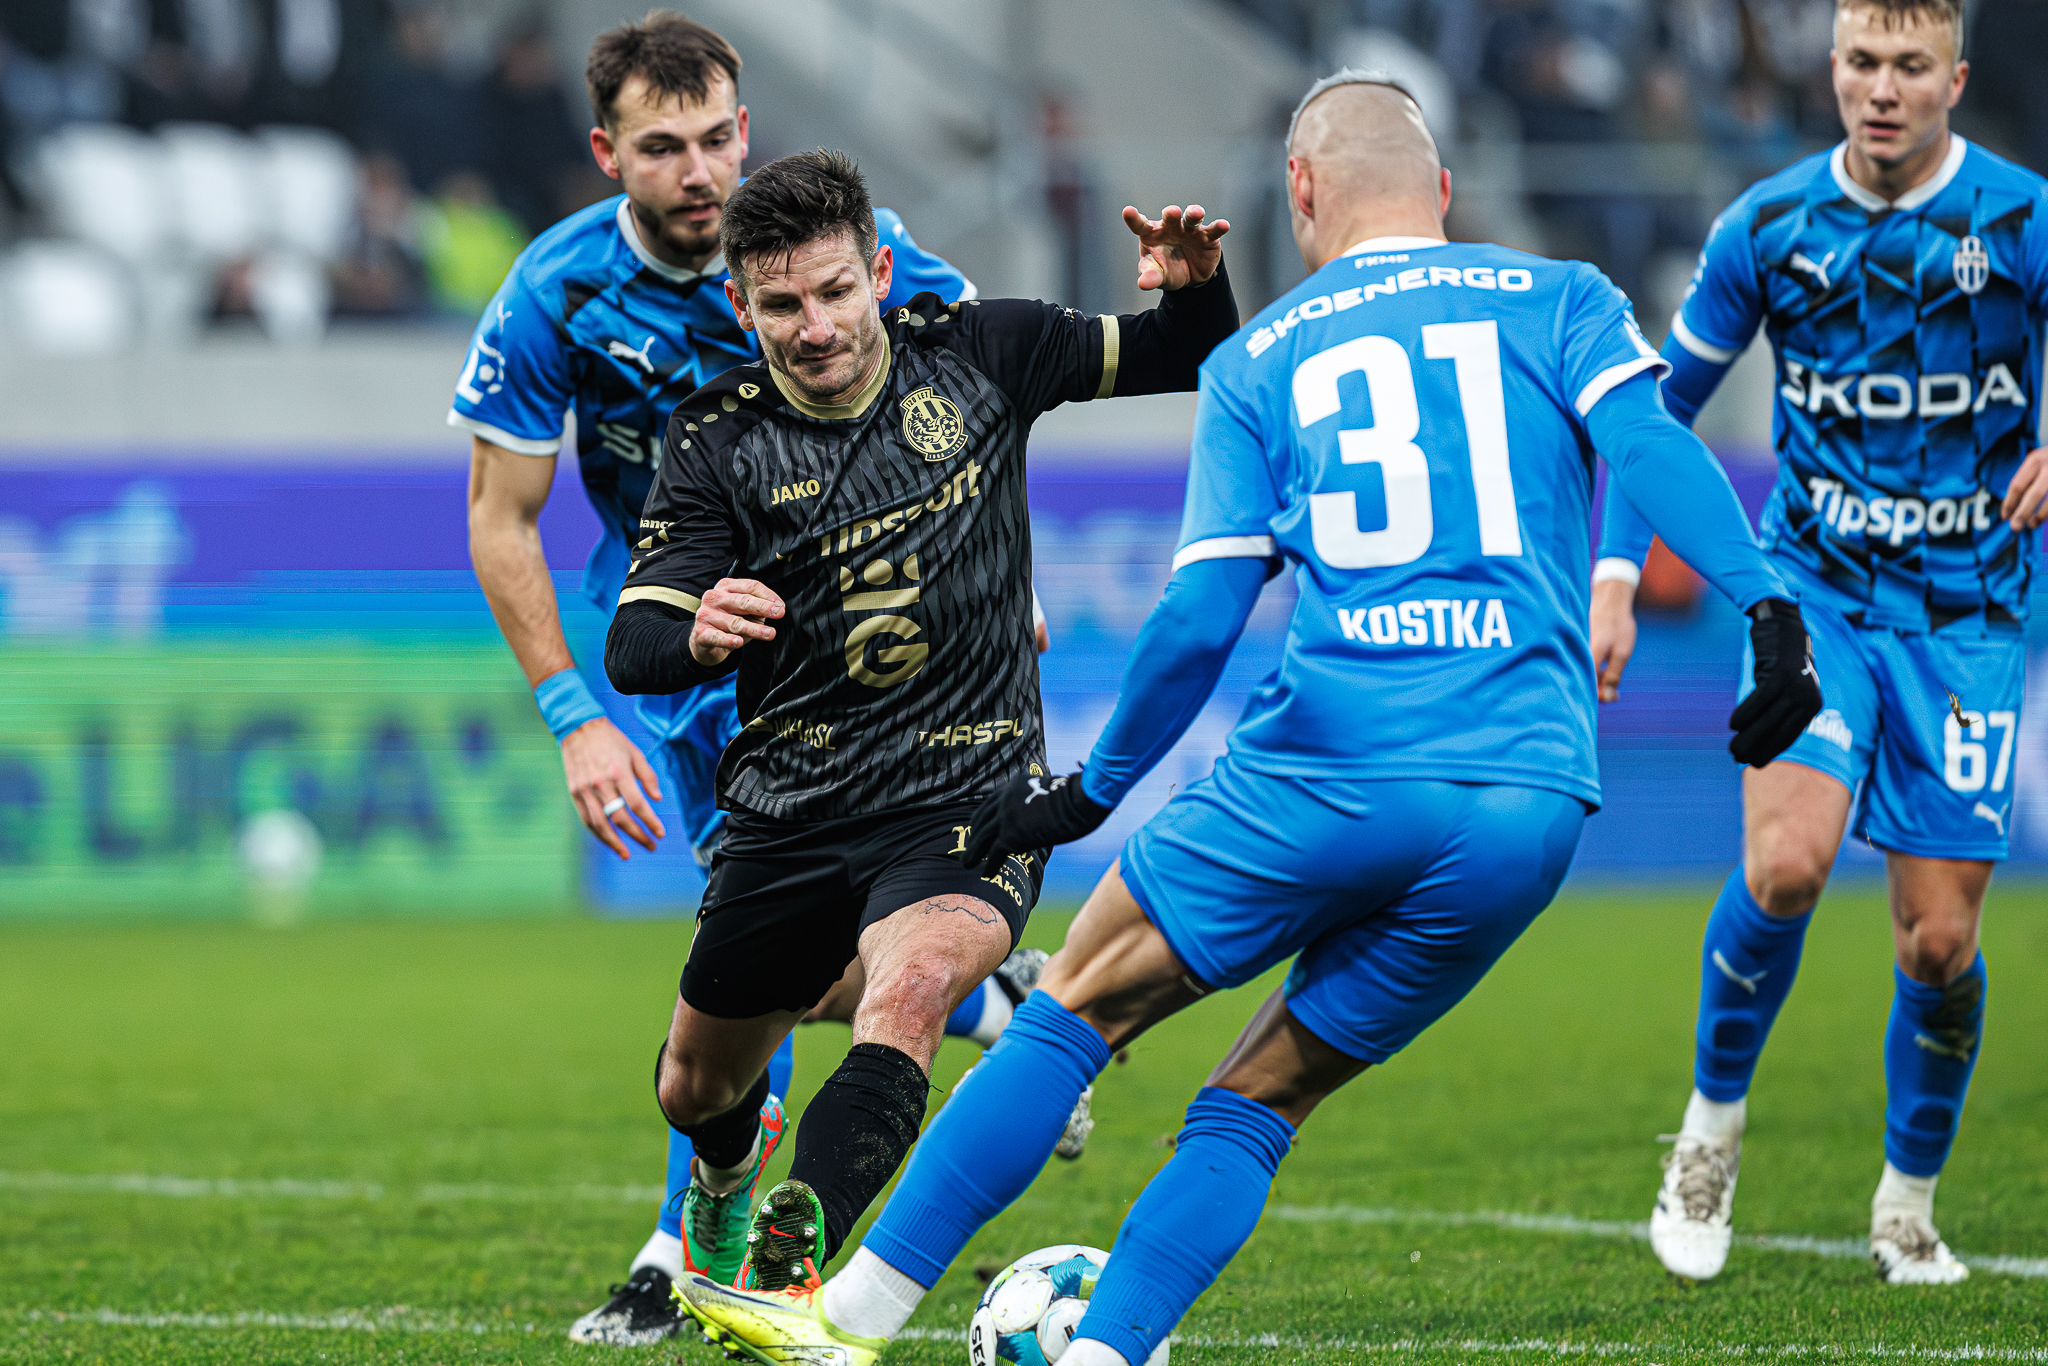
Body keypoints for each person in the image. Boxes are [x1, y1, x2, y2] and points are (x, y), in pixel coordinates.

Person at [670, 74, 1821, 1366]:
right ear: (1443, 191)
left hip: (1332, 764)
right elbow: (1652, 445)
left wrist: (1091, 790)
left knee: (1073, 1008)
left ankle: (845, 1315)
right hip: (1532, 799)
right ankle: (1103, 1353)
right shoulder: (1562, 298)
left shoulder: (1266, 355)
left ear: (1301, 193)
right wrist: (1766, 604)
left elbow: (1201, 613)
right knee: (1262, 1098)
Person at [448, 11, 1044, 1347]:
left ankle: (682, 1255)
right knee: (768, 964)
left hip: (868, 661)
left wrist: (1005, 575)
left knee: (754, 957)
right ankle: (989, 997)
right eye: (663, 147)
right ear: (606, 155)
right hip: (699, 666)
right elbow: (500, 517)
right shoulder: (555, 294)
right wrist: (572, 715)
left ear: (747, 129)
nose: (701, 170)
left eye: (718, 136)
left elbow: (978, 401)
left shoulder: (848, 255)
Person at [603, 148, 1238, 1307]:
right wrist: (692, 629)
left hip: (968, 792)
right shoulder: (716, 438)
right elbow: (632, 641)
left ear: (880, 274)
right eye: (781, 305)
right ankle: (729, 1169)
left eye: (835, 291)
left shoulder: (984, 349)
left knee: (909, 989)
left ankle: (790, 1263)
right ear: (739, 306)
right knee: (693, 1086)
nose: (814, 328)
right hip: (792, 807)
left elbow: (1181, 352)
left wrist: (1195, 289)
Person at [1592, 0, 2048, 1286]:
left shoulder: (2020, 217)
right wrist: (1614, 576)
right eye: (1859, 62)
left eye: (1908, 65)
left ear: (1953, 77)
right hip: (1815, 595)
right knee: (1785, 864)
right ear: (1830, 67)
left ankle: (1905, 1203)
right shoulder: (1768, 224)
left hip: (1965, 614)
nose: (1880, 88)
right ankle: (1707, 1130)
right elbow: (1652, 414)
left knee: (1936, 944)